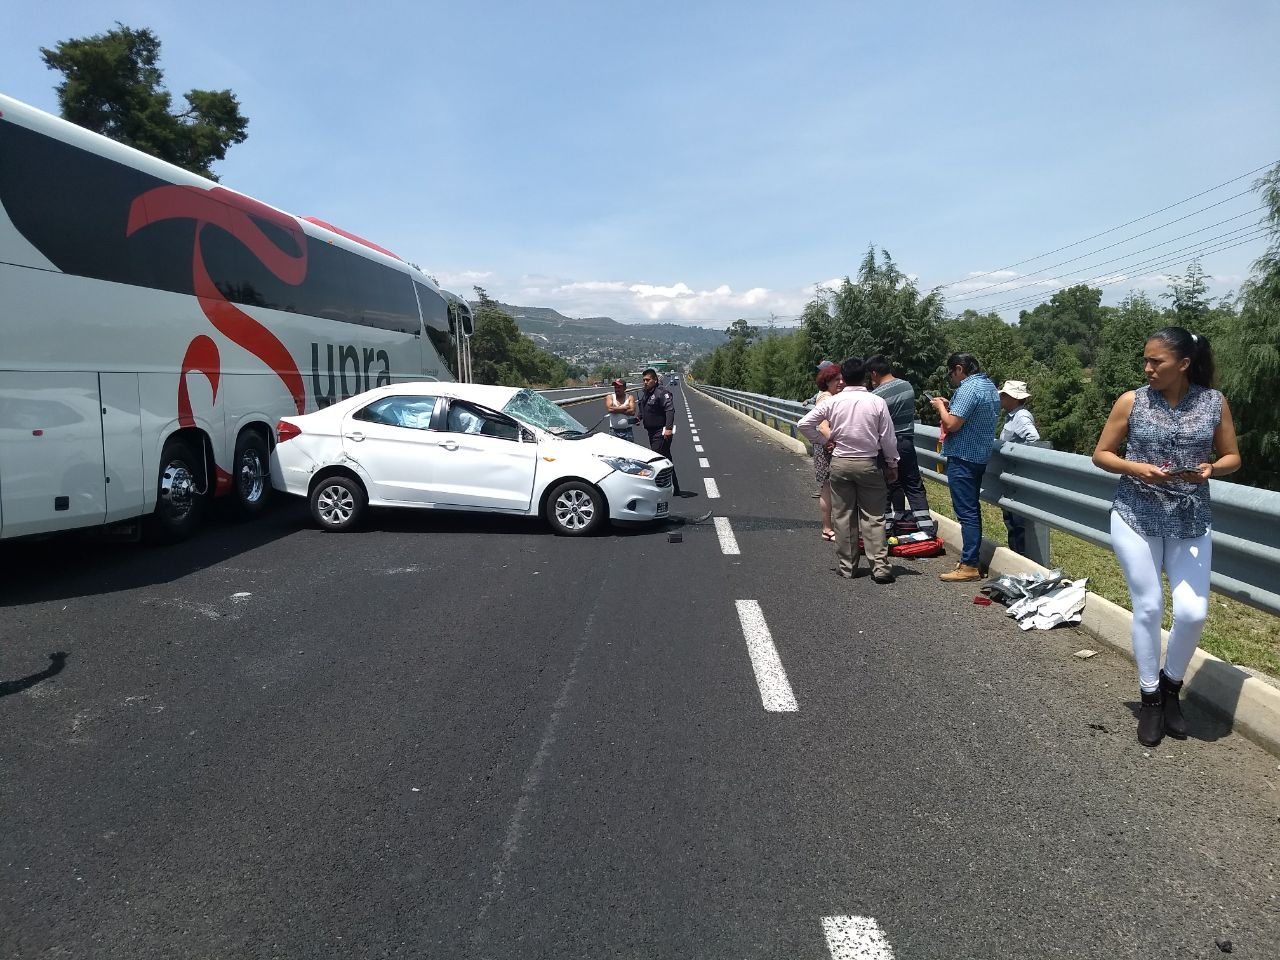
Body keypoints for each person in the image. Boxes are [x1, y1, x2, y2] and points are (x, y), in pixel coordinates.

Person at [1091, 326, 1240, 747]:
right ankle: (1151, 699)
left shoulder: (1213, 402)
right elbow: (1101, 454)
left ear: (1184, 364)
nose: (1148, 368)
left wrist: (1211, 469)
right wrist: (1137, 468)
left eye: (1156, 361)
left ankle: (1171, 688)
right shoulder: (1132, 400)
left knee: (1192, 612)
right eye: (1146, 360)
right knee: (1149, 606)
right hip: (1135, 514)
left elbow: (1232, 457)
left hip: (1190, 517)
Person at [798, 356, 899, 584]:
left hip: (840, 463)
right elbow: (888, 438)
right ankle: (880, 568)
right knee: (874, 516)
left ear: (843, 377)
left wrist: (824, 441)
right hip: (868, 463)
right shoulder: (877, 402)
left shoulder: (833, 402)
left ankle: (847, 567)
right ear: (865, 376)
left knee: (843, 516)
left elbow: (803, 424)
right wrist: (892, 463)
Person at [929, 353, 1001, 582]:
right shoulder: (988, 386)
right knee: (971, 509)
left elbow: (951, 424)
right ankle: (970, 559)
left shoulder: (968, 388)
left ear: (959, 369)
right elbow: (971, 415)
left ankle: (969, 564)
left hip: (963, 456)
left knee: (966, 512)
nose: (951, 377)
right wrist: (950, 406)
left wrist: (940, 407)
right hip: (979, 455)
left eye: (951, 372)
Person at [867, 355, 936, 540]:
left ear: (874, 373)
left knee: (885, 486)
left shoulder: (875, 396)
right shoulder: (907, 386)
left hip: (886, 444)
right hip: (906, 443)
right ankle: (927, 529)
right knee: (913, 485)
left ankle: (886, 529)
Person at [997, 380, 1040, 556]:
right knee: (1011, 520)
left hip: (1017, 475)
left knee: (1017, 521)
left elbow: (1034, 439)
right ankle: (1016, 555)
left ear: (1014, 398)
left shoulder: (1021, 416)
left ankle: (1021, 556)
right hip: (1011, 475)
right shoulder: (1012, 416)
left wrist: (1020, 458)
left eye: (1004, 395)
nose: (1001, 398)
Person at [808, 363, 845, 539]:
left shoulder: (832, 396)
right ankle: (827, 528)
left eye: (842, 379)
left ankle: (831, 527)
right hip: (827, 447)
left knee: (829, 487)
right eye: (836, 379)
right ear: (827, 381)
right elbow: (823, 427)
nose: (841, 382)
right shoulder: (826, 398)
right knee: (828, 487)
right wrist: (836, 442)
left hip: (827, 445)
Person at [639, 367, 682, 495]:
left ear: (655, 380)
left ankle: (656, 489)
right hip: (651, 432)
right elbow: (644, 409)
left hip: (661, 432)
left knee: (656, 460)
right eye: (644, 380)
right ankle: (675, 488)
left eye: (648, 380)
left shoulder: (662, 393)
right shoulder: (646, 393)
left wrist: (668, 429)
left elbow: (670, 410)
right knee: (666, 459)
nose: (645, 382)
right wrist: (638, 417)